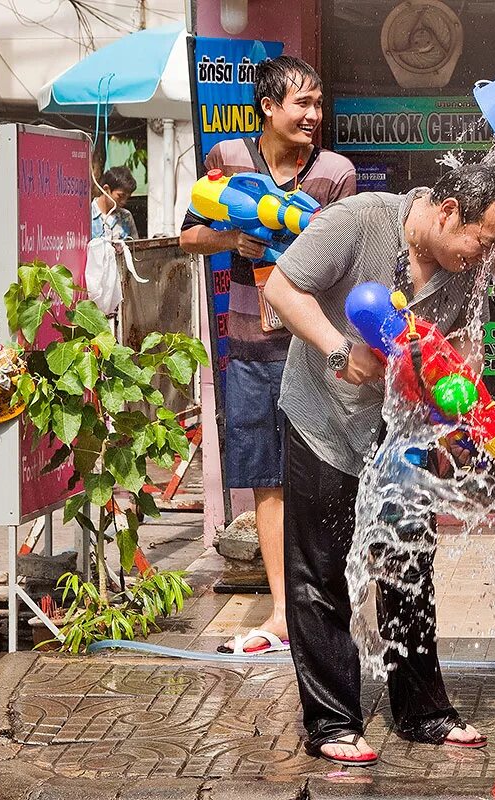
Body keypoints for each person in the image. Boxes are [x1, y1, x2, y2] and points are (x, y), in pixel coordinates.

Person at [262, 163, 495, 766]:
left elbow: (454, 356)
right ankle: (331, 721)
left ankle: (421, 710)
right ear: (449, 210)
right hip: (323, 420)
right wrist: (336, 350)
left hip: (397, 431)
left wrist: (456, 425)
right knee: (319, 572)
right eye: (482, 240)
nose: (485, 256)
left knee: (408, 565)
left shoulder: (461, 274)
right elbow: (281, 288)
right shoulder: (358, 220)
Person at [180, 56, 357, 656]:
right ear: (268, 107)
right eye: (301, 103)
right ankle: (283, 614)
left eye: (318, 102)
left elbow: (343, 254)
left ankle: (325, 605)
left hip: (314, 346)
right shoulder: (227, 159)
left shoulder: (335, 172)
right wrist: (238, 237)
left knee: (325, 475)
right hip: (252, 346)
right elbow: (188, 235)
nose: (313, 114)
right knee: (267, 482)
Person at [91, 166, 138, 241]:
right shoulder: (87, 216)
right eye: (120, 196)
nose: (124, 201)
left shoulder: (126, 217)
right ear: (106, 189)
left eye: (127, 197)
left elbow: (136, 247)